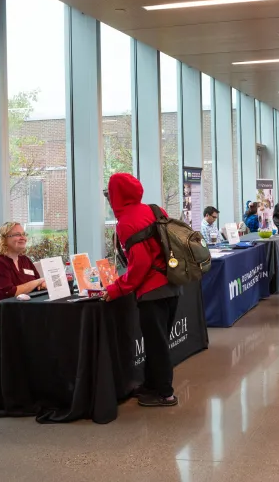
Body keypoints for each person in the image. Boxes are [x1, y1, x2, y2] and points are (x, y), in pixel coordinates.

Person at [103, 173, 179, 407]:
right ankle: (150, 385)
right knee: (159, 340)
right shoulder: (155, 210)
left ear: (116, 195)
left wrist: (116, 289)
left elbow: (141, 264)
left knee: (156, 343)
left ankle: (165, 394)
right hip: (172, 284)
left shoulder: (126, 223)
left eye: (109, 192)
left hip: (152, 291)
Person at [0, 222, 46, 396]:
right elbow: (7, 294)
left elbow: (37, 284)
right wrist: (37, 282)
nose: (22, 237)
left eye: (23, 234)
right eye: (16, 234)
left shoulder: (24, 260)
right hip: (3, 319)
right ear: (3, 239)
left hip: (27, 314)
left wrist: (40, 284)